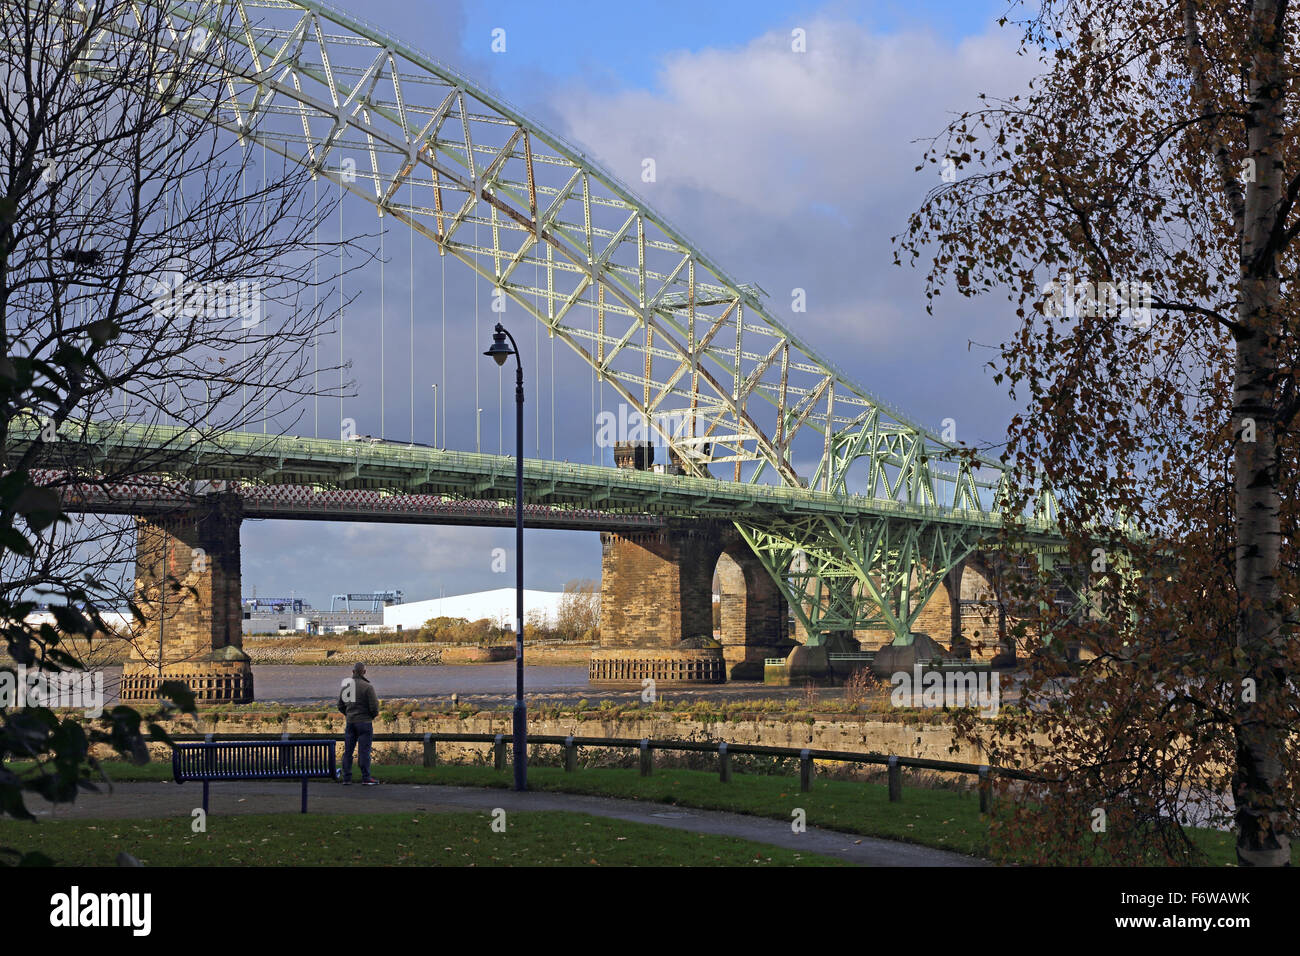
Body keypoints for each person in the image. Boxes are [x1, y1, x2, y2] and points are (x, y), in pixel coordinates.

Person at [337, 662, 380, 785]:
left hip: (350, 722)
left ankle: (347, 777)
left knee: (348, 751)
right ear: (364, 672)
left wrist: (349, 714)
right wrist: (371, 716)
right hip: (364, 723)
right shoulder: (367, 687)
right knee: (364, 751)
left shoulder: (347, 687)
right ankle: (366, 777)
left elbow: (340, 705)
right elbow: (374, 707)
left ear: (353, 671)